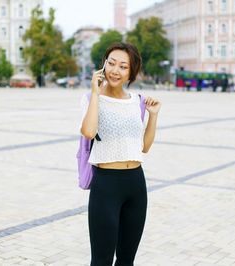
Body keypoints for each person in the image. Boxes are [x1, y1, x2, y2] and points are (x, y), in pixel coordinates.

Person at [80, 42, 161, 266]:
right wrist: (96, 93)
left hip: (135, 184)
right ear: (103, 65)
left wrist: (153, 116)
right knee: (101, 260)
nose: (115, 70)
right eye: (111, 63)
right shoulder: (90, 98)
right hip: (106, 185)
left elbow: (143, 147)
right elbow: (88, 131)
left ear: (131, 73)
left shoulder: (137, 101)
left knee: (126, 260)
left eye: (123, 66)